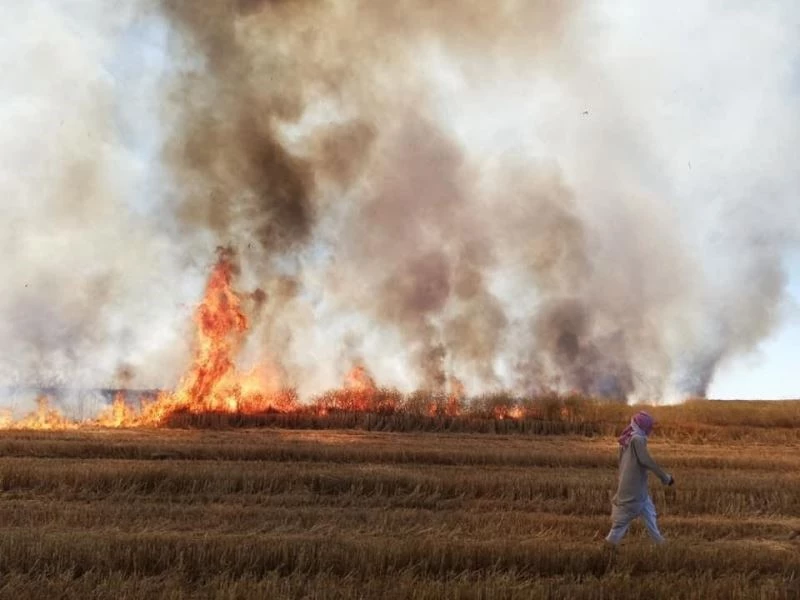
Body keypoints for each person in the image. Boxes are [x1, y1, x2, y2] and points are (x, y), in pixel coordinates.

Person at [605, 410, 674, 546]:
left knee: (649, 512)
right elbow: (645, 460)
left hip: (635, 488)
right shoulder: (637, 438)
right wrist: (664, 477)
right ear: (644, 426)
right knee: (620, 524)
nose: (651, 429)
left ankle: (660, 543)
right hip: (633, 491)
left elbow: (621, 463)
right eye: (649, 426)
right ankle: (608, 547)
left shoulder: (627, 437)